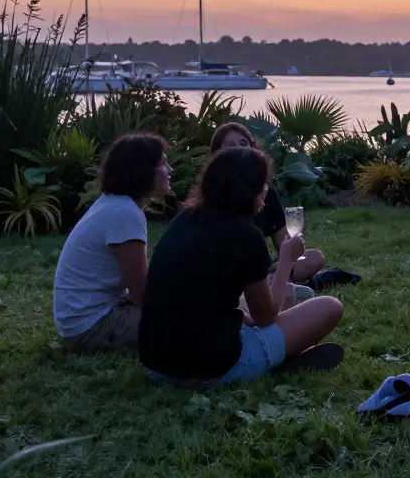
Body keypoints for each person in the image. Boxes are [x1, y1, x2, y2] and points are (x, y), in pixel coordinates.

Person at [139, 146, 344, 385]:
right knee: (330, 306)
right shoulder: (245, 235)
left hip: (156, 364)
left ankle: (276, 357)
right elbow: (267, 317)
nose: (266, 189)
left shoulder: (184, 220)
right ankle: (274, 363)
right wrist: (287, 259)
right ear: (251, 190)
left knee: (260, 301)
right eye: (263, 183)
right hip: (211, 367)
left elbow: (204, 292)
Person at [52, 133, 171, 353]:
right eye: (163, 164)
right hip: (92, 326)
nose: (170, 170)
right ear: (143, 171)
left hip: (80, 321)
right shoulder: (124, 213)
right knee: (191, 318)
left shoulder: (114, 204)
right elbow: (140, 295)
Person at [210, 122, 324, 307]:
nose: (238, 149)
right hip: (232, 275)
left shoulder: (266, 192)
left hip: (262, 269)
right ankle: (281, 285)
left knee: (314, 257)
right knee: (324, 304)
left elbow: (283, 246)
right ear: (216, 154)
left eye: (243, 143)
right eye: (229, 145)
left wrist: (286, 259)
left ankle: (278, 282)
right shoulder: (213, 198)